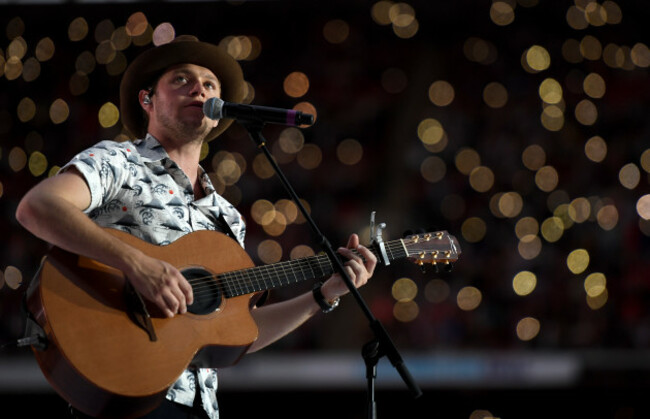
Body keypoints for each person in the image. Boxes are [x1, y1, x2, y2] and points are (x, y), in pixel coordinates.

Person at [15, 35, 377, 419]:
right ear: (147, 100)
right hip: (124, 388)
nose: (198, 89)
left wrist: (323, 295)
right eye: (180, 80)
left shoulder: (226, 216)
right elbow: (38, 207)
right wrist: (137, 265)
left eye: (209, 84)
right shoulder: (119, 161)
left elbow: (234, 332)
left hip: (199, 407)